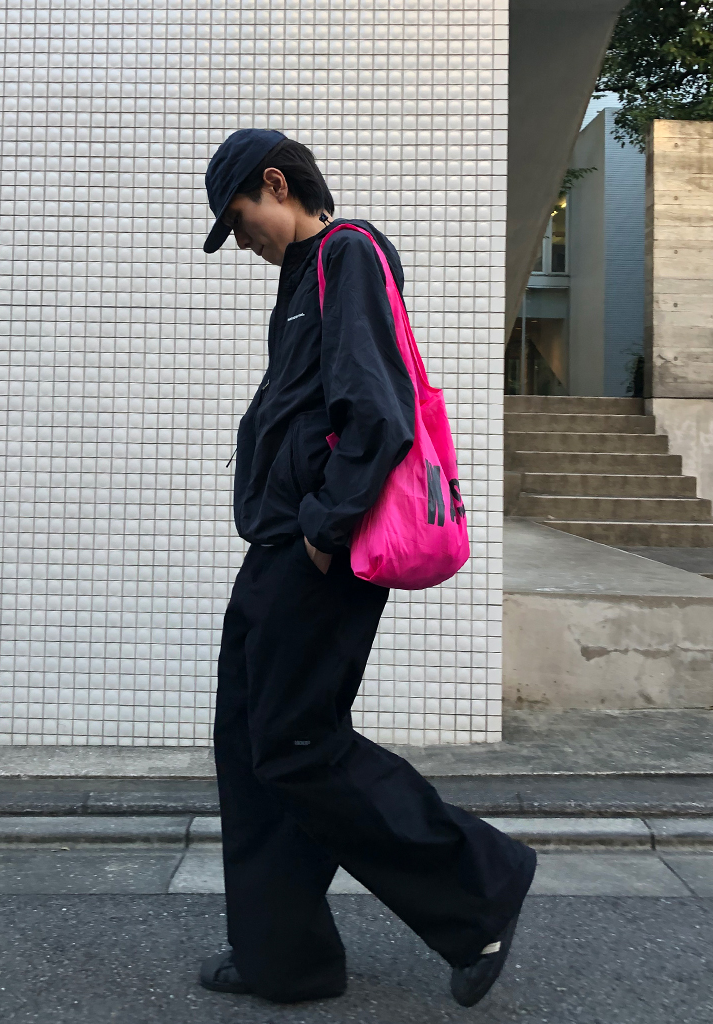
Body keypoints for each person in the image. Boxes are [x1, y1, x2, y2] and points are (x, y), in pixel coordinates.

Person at [198, 128, 537, 1009]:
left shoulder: (347, 255)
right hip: (279, 546)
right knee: (252, 742)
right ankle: (283, 957)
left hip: (317, 552)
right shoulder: (303, 276)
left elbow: (377, 408)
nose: (241, 239)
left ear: (277, 184)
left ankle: (480, 886)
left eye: (239, 217)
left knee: (297, 744)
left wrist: (327, 522)